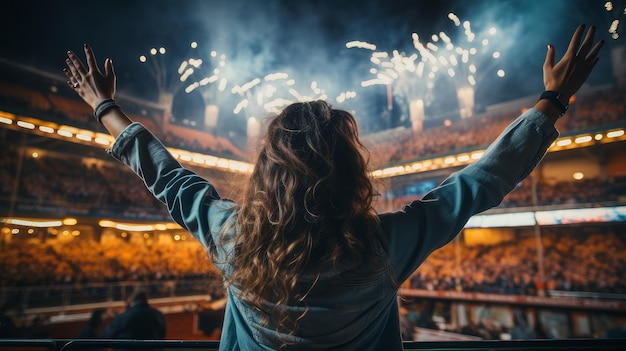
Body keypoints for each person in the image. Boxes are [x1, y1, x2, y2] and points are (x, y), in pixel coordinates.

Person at [63, 24, 602, 350]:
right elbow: (481, 181)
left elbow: (169, 178)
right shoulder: (383, 246)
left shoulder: (234, 238)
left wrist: (105, 107)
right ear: (350, 173)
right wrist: (551, 103)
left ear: (267, 174)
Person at [100, 291, 166, 350]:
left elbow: (107, 335)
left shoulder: (123, 317)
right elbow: (162, 334)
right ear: (146, 300)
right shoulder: (158, 314)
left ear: (131, 301)